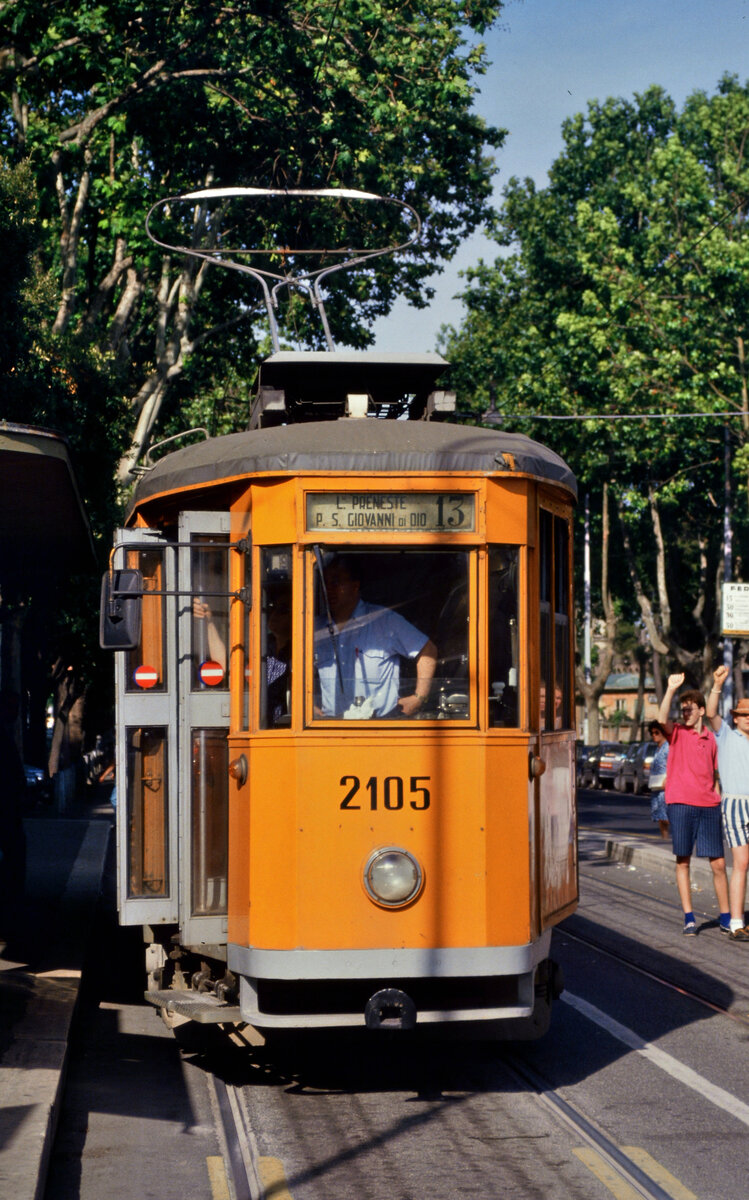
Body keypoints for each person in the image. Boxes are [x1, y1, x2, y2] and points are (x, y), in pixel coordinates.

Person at [315, 556, 437, 719]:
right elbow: (298, 670)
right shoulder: (314, 628)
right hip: (327, 730)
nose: (328, 590)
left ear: (354, 586)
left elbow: (427, 650)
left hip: (379, 728)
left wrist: (419, 698)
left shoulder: (385, 621)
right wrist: (308, 705)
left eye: (335, 582)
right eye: (325, 583)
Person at [658, 673, 729, 935]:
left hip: (709, 805)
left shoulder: (712, 738)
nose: (686, 712)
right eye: (683, 708)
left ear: (700, 711)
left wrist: (719, 794)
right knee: (683, 860)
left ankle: (726, 916)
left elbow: (715, 771)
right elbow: (661, 718)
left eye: (690, 708)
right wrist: (670, 689)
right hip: (681, 804)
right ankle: (689, 917)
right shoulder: (676, 732)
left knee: (719, 863)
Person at [706, 665, 749, 941]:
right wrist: (717, 685)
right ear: (736, 718)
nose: (748, 720)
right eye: (744, 715)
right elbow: (710, 713)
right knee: (741, 862)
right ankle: (736, 921)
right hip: (734, 804)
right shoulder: (725, 735)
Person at [648, 721, 670, 840]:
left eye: (657, 732)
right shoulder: (658, 749)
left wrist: (668, 779)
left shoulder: (668, 747)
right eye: (652, 733)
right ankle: (665, 839)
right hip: (656, 785)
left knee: (666, 815)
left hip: (665, 785)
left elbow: (674, 764)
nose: (654, 735)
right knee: (660, 816)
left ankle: (675, 839)